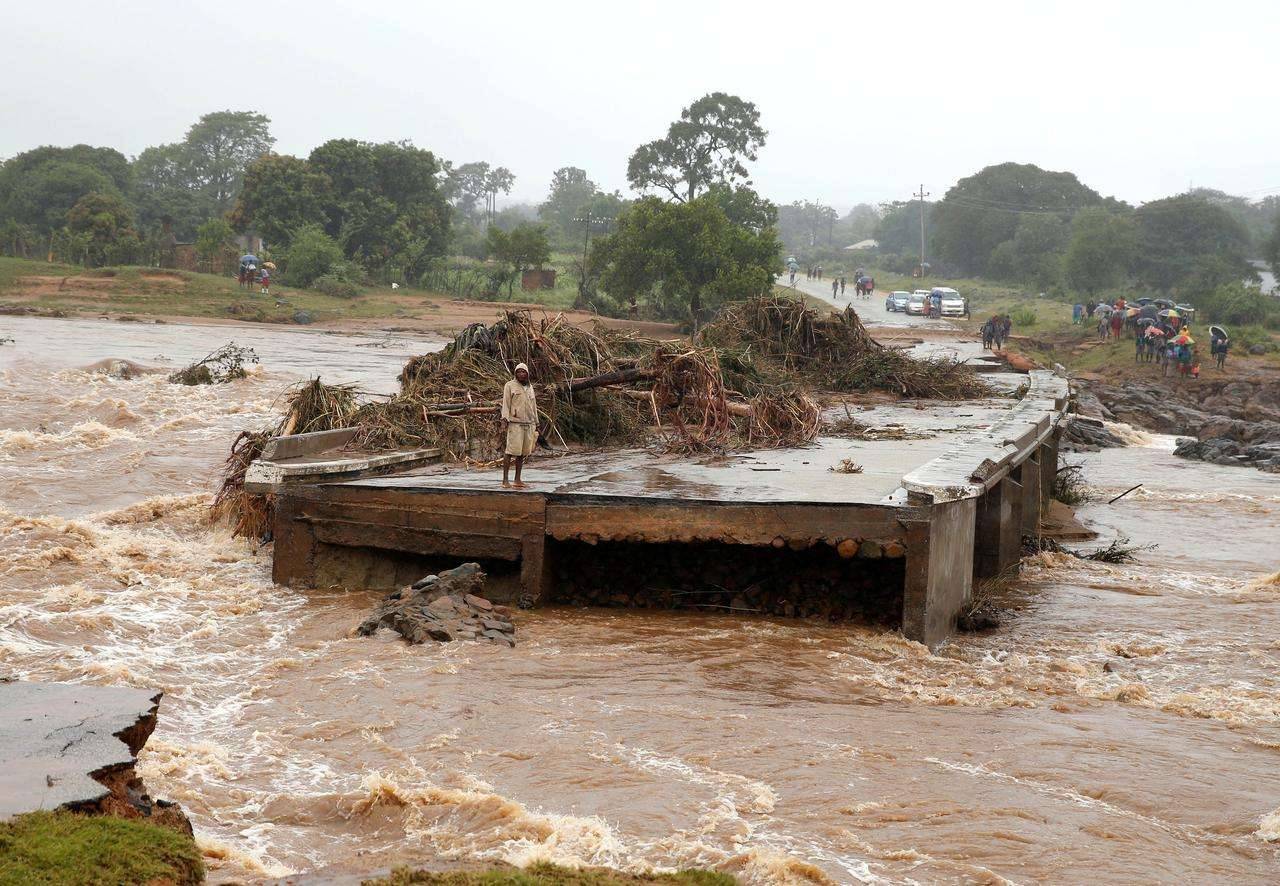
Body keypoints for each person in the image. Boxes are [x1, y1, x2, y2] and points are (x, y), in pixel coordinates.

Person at [501, 363, 538, 489]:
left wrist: (536, 422)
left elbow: (534, 406)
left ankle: (517, 479)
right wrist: (504, 419)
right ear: (515, 373)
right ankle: (505, 480)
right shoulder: (510, 385)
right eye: (519, 372)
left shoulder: (529, 387)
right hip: (515, 424)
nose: (521, 374)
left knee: (522, 453)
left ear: (527, 374)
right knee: (510, 451)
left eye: (523, 372)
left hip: (528, 424)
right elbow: (506, 403)